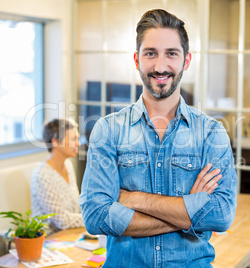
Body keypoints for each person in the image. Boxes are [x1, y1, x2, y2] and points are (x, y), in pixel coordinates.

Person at [79, 9, 237, 267]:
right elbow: (96, 216)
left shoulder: (211, 133)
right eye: (150, 53)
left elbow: (221, 214)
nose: (160, 66)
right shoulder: (107, 130)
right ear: (137, 59)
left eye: (171, 54)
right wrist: (188, 210)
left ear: (186, 60)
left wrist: (132, 198)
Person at [31, 118, 84, 235]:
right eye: (73, 139)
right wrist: (92, 219)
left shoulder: (68, 165)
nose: (78, 143)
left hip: (70, 233)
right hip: (49, 239)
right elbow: (61, 220)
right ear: (55, 141)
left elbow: (76, 205)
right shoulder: (42, 175)